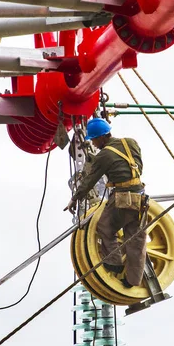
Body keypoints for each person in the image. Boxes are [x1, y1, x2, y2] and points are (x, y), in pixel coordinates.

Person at [64, 118, 147, 288]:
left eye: (93, 139)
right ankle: (133, 280)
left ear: (102, 137)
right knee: (136, 240)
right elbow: (139, 166)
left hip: (121, 200)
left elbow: (89, 181)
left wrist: (75, 199)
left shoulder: (104, 155)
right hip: (140, 198)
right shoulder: (131, 143)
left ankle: (114, 262)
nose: (93, 143)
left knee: (105, 227)